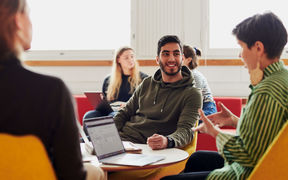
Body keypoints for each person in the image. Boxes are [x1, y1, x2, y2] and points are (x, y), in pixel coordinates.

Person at [161, 12, 288, 180]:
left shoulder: (266, 91)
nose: (240, 55)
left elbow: (246, 156)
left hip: (248, 173)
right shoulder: (282, 78)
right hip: (264, 164)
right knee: (196, 159)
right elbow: (267, 135)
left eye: (242, 47)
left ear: (258, 48)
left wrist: (215, 133)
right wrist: (235, 120)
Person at [0, 0, 105, 179]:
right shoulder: (52, 91)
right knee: (96, 172)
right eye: (29, 14)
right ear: (18, 20)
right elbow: (72, 174)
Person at [114, 35, 202, 150]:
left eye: (176, 54)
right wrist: (105, 133)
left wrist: (167, 141)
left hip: (147, 149)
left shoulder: (192, 93)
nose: (171, 59)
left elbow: (186, 131)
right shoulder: (147, 83)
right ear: (157, 59)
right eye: (165, 54)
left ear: (182, 58)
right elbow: (125, 112)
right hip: (122, 140)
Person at [83, 47, 148, 119]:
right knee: (88, 116)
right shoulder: (108, 80)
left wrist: (128, 105)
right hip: (110, 110)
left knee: (113, 116)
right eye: (126, 58)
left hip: (127, 111)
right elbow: (106, 101)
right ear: (118, 60)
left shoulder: (143, 79)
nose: (131, 60)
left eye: (132, 56)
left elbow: (145, 102)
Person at [183, 45, 217, 116]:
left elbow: (197, 101)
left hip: (207, 107)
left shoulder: (195, 76)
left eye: (181, 58)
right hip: (195, 107)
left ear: (188, 60)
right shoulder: (180, 74)